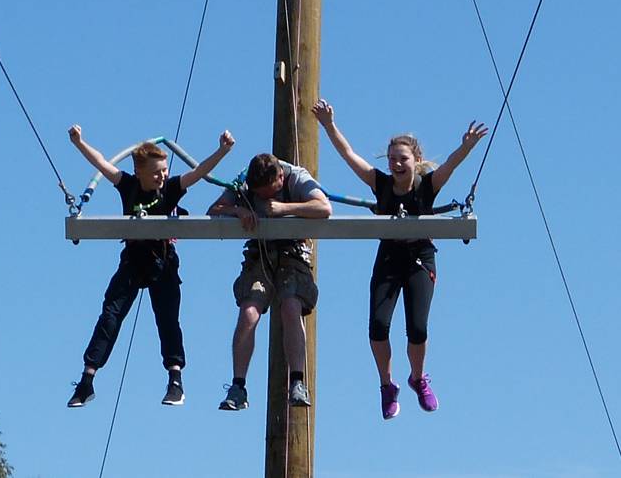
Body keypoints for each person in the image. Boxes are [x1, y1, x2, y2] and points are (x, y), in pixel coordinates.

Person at [312, 99, 487, 419]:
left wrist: (468, 146)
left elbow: (451, 163)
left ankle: (418, 378)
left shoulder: (427, 184)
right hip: (390, 257)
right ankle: (386, 386)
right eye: (391, 159)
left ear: (415, 160)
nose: (396, 164)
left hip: (420, 257)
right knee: (378, 326)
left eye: (402, 158)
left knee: (417, 327)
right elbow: (350, 156)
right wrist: (329, 126)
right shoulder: (380, 184)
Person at [66, 124, 235, 408]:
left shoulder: (170, 188)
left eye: (165, 170)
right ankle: (87, 380)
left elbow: (199, 173)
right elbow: (101, 163)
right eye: (156, 172)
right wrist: (78, 142)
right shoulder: (128, 185)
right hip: (133, 261)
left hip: (163, 263)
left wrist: (222, 151)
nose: (162, 176)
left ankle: (175, 380)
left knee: (167, 320)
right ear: (140, 172)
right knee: (110, 316)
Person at [208, 153, 332, 410]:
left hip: (293, 251)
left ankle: (297, 382)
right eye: (260, 194)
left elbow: (324, 208)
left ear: (280, 177)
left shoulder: (296, 177)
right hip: (260, 252)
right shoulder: (244, 182)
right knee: (249, 312)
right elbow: (214, 210)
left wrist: (286, 209)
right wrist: (238, 210)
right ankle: (238, 386)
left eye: (270, 192)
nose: (265, 198)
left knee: (290, 306)